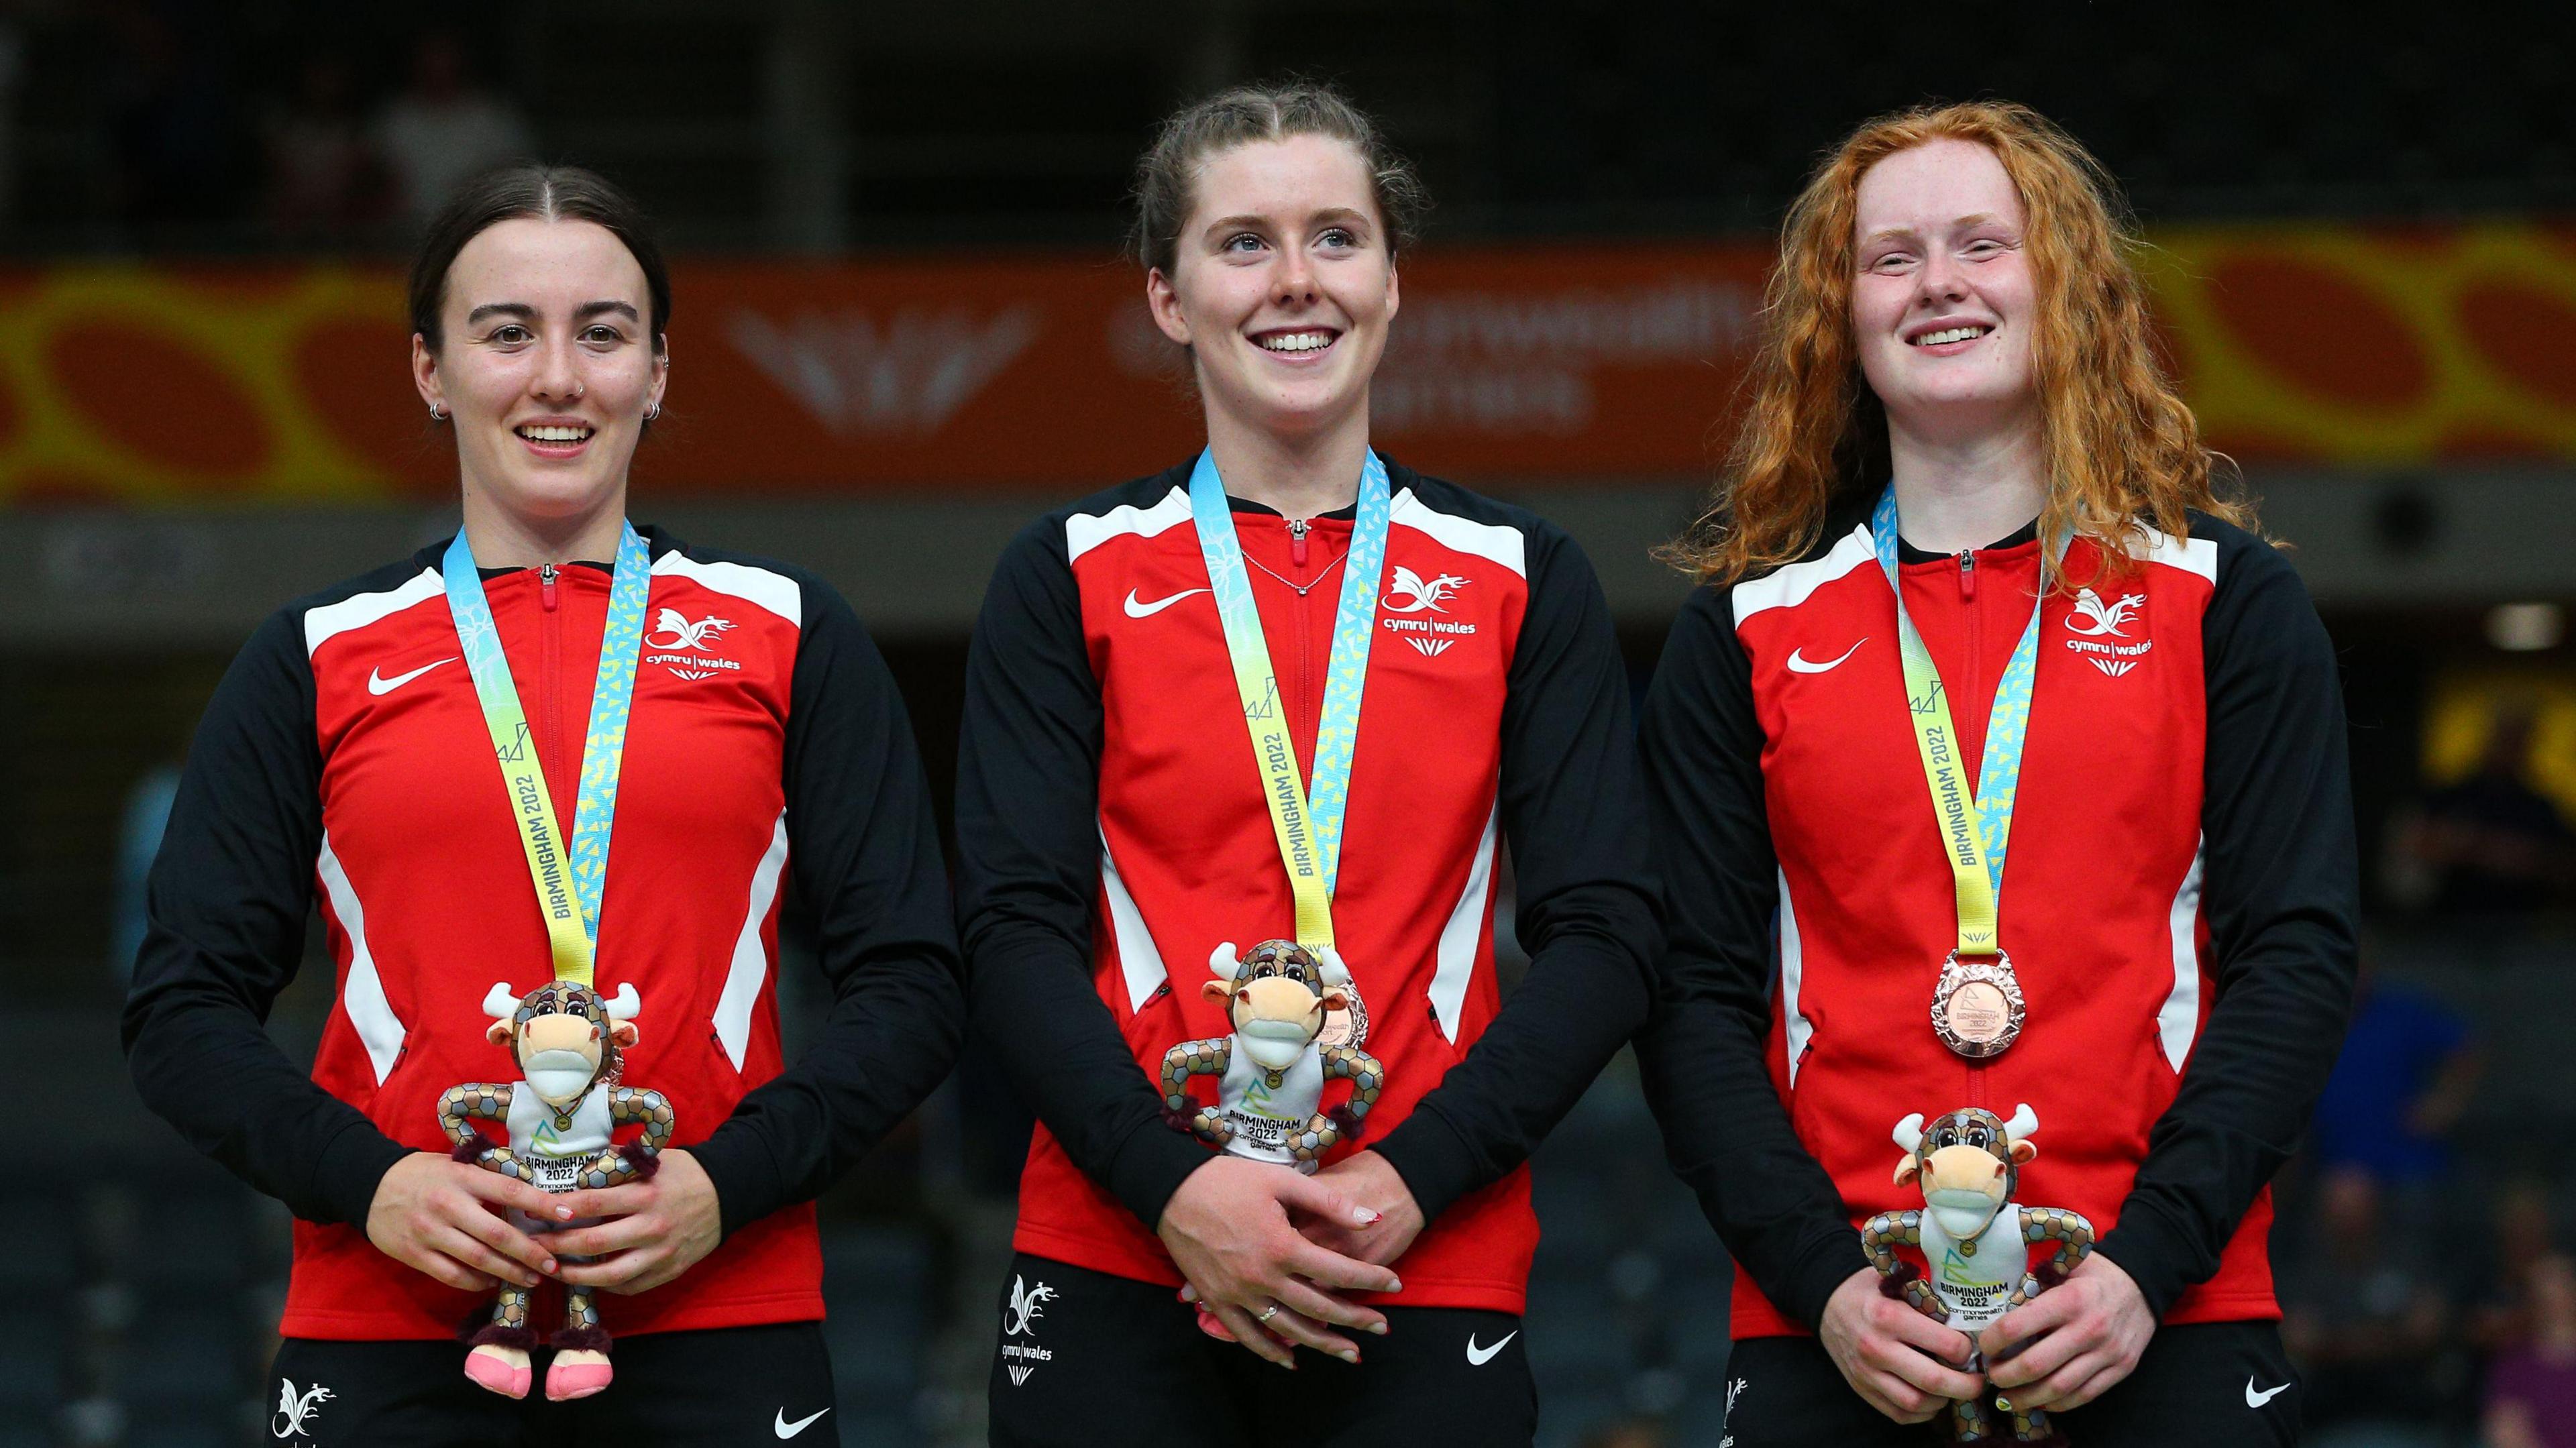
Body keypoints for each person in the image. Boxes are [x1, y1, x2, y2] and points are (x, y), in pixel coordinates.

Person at [121, 164, 962, 1441]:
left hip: (719, 1311)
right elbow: (183, 1007)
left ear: (660, 370)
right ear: (430, 369)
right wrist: (376, 1183)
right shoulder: (318, 653)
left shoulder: (791, 635)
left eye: (603, 332)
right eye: (507, 332)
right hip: (392, 1321)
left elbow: (912, 980)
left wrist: (723, 1188)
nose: (557, 377)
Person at [1635, 101, 2357, 1446]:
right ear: (1844, 314)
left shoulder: (2227, 609)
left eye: (1984, 243)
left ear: (2067, 287)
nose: (1940, 284)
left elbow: (2296, 961)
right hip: (1844, 1332)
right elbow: (1693, 999)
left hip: (2163, 1319)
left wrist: (2147, 1270)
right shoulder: (1741, 638)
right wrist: (1826, 1287)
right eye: (1893, 257)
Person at [956, 81, 1660, 1447]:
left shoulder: (1523, 577)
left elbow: (1609, 937)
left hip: (1418, 1251)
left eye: (1337, 238)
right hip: (1120, 1253)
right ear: (1168, 297)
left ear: (1393, 281)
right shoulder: (1067, 577)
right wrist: (1172, 1188)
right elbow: (1008, 931)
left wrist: (1410, 1178)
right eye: (1243, 243)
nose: (1296, 282)